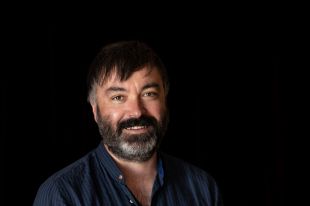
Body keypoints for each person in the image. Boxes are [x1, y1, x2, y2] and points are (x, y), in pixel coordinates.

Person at [33, 40, 223, 206]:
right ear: (95, 110)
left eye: (149, 94)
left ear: (165, 101)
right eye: (118, 97)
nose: (137, 111)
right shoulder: (62, 194)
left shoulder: (203, 187)